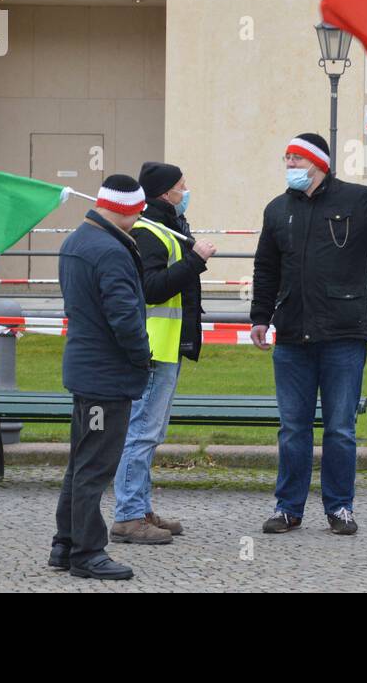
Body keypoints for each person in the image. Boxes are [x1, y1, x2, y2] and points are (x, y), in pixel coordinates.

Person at [250, 132, 367, 536]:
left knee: (340, 429)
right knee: (293, 428)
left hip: (343, 336)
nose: (289, 166)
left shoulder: (357, 199)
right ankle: (288, 508)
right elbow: (265, 269)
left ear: (318, 163)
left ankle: (340, 508)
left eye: (296, 159)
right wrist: (261, 316)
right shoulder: (277, 210)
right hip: (292, 336)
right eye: (287, 159)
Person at [50, 175, 154, 580]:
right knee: (94, 467)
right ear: (132, 210)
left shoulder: (76, 241)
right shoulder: (111, 251)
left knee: (80, 462)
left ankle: (65, 544)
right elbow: (124, 317)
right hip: (105, 378)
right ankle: (87, 553)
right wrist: (141, 357)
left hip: (84, 371)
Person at [110, 162, 218, 544]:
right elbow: (152, 289)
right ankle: (126, 516)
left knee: (149, 433)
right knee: (140, 433)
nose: (185, 193)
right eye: (181, 188)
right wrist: (196, 261)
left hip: (164, 346)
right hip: (153, 348)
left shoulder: (167, 228)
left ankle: (140, 508)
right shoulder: (149, 231)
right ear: (164, 194)